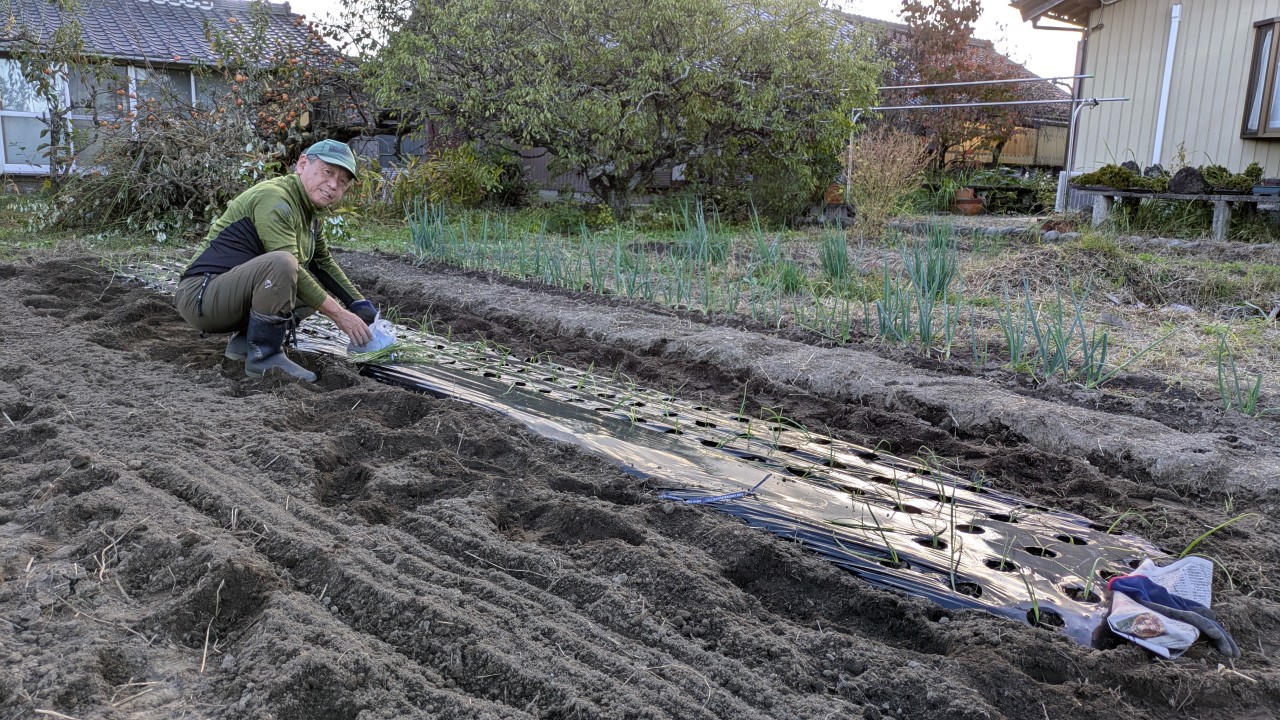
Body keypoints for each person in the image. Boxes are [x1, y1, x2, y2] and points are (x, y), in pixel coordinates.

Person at [174, 139, 375, 383]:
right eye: (327, 172)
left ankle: (244, 346)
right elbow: (289, 269)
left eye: (342, 181)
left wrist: (359, 304)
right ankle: (264, 357)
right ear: (302, 164)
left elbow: (322, 264)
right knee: (283, 264)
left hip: (229, 295)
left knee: (312, 289)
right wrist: (340, 316)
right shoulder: (275, 199)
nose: (333, 184)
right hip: (202, 297)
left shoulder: (309, 214)